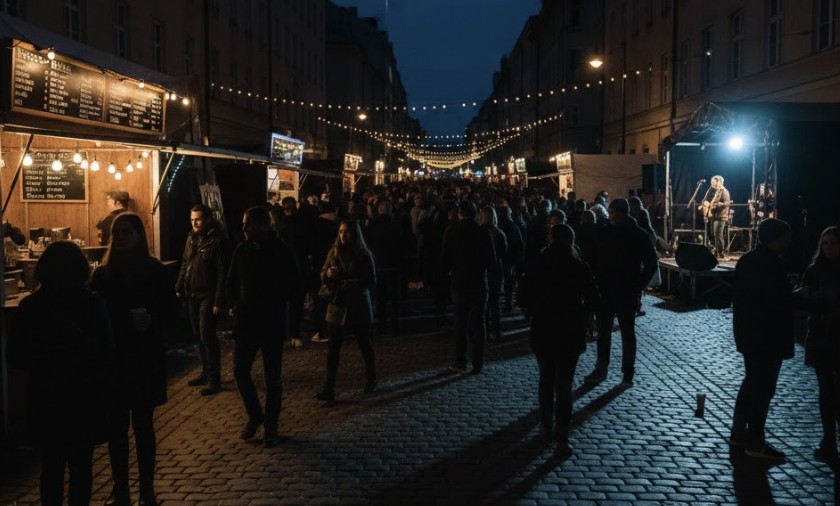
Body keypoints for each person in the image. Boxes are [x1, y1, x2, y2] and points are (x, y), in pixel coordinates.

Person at [8, 241, 113, 506]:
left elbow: (15, 356)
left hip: (47, 396)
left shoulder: (31, 307)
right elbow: (107, 351)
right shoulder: (92, 304)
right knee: (81, 467)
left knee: (51, 466)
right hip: (83, 395)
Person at [90, 213, 179, 506]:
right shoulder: (103, 275)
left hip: (144, 357)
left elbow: (171, 312)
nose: (121, 238)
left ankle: (146, 488)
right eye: (117, 233)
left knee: (143, 426)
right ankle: (122, 489)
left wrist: (152, 321)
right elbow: (96, 317)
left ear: (139, 235)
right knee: (117, 430)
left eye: (126, 232)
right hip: (115, 359)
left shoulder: (154, 271)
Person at [521, 224, 599, 457]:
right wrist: (584, 313)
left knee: (546, 378)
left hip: (543, 327)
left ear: (551, 239)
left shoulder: (538, 263)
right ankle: (562, 437)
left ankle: (546, 424)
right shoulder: (578, 265)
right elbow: (594, 298)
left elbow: (523, 296)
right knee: (564, 385)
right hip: (569, 329)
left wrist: (534, 309)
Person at [227, 206, 302, 447]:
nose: (244, 229)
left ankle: (271, 427)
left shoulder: (281, 251)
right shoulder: (241, 250)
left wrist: (275, 300)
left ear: (262, 225)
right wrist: (235, 305)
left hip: (271, 322)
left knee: (273, 379)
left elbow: (295, 286)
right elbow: (232, 282)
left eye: (248, 224)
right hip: (246, 322)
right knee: (240, 371)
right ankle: (255, 415)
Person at [730, 218, 794, 461]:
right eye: (786, 238)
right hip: (767, 336)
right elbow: (777, 302)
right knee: (763, 388)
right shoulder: (772, 265)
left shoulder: (748, 261)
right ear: (775, 240)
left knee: (751, 384)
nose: (789, 242)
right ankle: (755, 440)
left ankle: (738, 433)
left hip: (749, 335)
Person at [584, 198, 657, 385]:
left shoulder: (637, 235)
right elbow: (591, 261)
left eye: (616, 212)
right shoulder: (602, 233)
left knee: (627, 332)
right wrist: (594, 284)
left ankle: (627, 371)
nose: (612, 215)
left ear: (625, 213)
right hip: (605, 291)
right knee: (603, 332)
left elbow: (650, 264)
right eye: (611, 211)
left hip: (626, 292)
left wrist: (637, 285)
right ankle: (601, 368)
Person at [315, 219, 378, 403]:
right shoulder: (334, 252)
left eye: (347, 232)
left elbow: (371, 280)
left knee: (364, 342)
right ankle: (329, 388)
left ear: (355, 234)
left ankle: (372, 379)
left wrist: (354, 285)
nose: (343, 236)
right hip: (338, 302)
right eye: (341, 232)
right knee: (333, 347)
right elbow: (323, 273)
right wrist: (327, 275)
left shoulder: (364, 255)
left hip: (358, 303)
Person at [176, 203, 230, 396]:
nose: (194, 223)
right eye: (192, 220)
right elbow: (185, 262)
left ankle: (215, 378)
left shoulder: (217, 241)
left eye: (197, 219)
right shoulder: (191, 238)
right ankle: (206, 372)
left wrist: (218, 300)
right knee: (198, 335)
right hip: (192, 293)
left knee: (207, 334)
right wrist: (179, 285)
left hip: (208, 293)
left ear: (207, 219)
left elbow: (222, 272)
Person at [797, 226, 840, 463]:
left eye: (834, 243)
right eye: (825, 243)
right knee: (825, 390)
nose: (829, 248)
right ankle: (828, 439)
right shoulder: (815, 270)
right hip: (822, 335)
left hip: (837, 335)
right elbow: (805, 300)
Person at [441, 201, 496, 374]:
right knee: (478, 322)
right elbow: (491, 260)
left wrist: (450, 270)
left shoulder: (452, 232)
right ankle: (478, 362)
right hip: (479, 281)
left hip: (459, 281)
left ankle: (460, 360)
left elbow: (444, 259)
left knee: (460, 322)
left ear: (460, 214)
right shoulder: (484, 233)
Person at [479, 206, 507, 340]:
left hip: (483, 270)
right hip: (495, 270)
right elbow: (504, 253)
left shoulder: (479, 233)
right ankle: (496, 330)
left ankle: (485, 329)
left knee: (484, 302)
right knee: (495, 302)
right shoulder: (499, 233)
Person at [702, 175, 731, 259]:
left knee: (718, 234)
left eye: (713, 182)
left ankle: (721, 252)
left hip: (721, 216)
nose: (712, 183)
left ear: (719, 182)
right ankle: (716, 251)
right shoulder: (714, 191)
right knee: (714, 234)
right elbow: (705, 199)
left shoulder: (724, 191)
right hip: (714, 216)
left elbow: (727, 203)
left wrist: (717, 205)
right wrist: (706, 203)